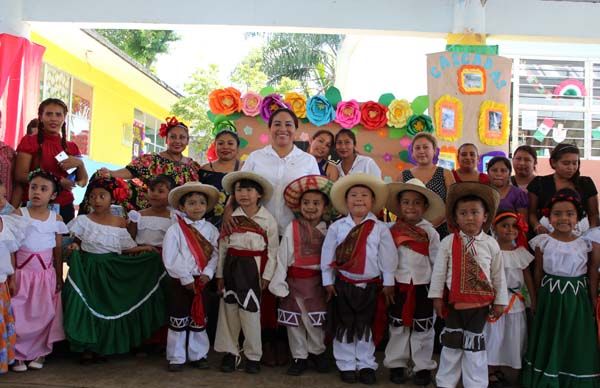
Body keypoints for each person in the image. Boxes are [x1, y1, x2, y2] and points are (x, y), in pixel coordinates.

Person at [62, 176, 168, 363]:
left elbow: (125, 247)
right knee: (89, 306)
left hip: (110, 269)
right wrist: (74, 248)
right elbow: (76, 243)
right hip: (89, 270)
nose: (97, 200)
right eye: (93, 196)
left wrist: (145, 249)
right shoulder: (83, 220)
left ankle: (103, 346)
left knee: (106, 305)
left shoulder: (120, 222)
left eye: (102, 196)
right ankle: (87, 348)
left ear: (112, 199)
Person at [428, 182, 507, 388]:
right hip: (454, 304)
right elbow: (439, 272)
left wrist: (500, 302)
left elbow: (498, 275)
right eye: (463, 213)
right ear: (455, 218)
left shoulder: (491, 244)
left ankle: (476, 384)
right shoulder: (448, 242)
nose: (469, 217)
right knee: (452, 345)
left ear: (485, 216)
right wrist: (437, 297)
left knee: (475, 347)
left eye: (475, 212)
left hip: (480, 306)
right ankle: (446, 382)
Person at [321, 173, 397, 385]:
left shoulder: (380, 228)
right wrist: (327, 280)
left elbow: (388, 256)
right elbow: (327, 255)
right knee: (344, 325)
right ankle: (346, 364)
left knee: (365, 325)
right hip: (343, 284)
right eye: (353, 195)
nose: (359, 199)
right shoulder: (337, 227)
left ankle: (365, 364)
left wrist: (388, 281)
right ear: (346, 201)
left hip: (370, 286)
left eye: (364, 195)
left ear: (373, 202)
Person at [522, 189, 600, 387]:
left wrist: (592, 299)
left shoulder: (586, 243)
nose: (563, 218)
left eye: (570, 213)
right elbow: (538, 272)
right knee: (550, 334)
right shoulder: (543, 242)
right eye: (557, 214)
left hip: (577, 298)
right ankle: (549, 373)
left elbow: (592, 271)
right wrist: (536, 300)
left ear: (578, 217)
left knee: (574, 335)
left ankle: (572, 376)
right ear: (548, 217)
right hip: (550, 297)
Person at [269, 175, 333, 376]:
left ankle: (317, 352)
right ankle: (299, 356)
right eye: (306, 203)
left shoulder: (329, 230)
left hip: (317, 284)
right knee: (294, 322)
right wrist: (279, 281)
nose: (311, 207)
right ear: (299, 206)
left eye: (316, 203)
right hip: (294, 282)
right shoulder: (292, 227)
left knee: (316, 322)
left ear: (325, 207)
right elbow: (283, 255)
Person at [215, 171, 278, 374]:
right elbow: (223, 247)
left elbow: (273, 251)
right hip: (231, 267)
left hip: (254, 269)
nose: (244, 194)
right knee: (229, 312)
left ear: (259, 194)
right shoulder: (231, 218)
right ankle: (230, 353)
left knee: (251, 314)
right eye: (239, 189)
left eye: (249, 190)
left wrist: (267, 277)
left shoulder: (268, 220)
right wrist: (219, 275)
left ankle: (253, 356)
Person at [383, 178, 444, 386]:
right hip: (398, 286)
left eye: (417, 202)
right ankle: (397, 364)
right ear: (399, 206)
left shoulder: (431, 233)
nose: (411, 207)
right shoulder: (391, 230)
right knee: (398, 326)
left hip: (423, 287)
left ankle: (422, 367)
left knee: (424, 328)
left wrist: (437, 291)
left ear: (425, 207)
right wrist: (388, 282)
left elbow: (437, 263)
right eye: (406, 202)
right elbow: (388, 258)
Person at [11, 170, 67, 372]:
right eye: (33, 187)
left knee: (44, 312)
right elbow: (12, 246)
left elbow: (57, 250)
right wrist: (11, 274)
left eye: (43, 189)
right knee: (19, 311)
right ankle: (16, 353)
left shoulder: (56, 218)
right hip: (22, 274)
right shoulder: (18, 214)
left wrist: (59, 274)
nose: (37, 192)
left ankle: (40, 352)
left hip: (45, 275)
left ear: (52, 195)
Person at [162, 182, 220, 372]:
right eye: (192, 203)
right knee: (179, 317)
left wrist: (208, 274)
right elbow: (171, 257)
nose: (197, 207)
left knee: (199, 317)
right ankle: (176, 356)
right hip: (181, 281)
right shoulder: (175, 230)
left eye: (201, 203)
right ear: (182, 207)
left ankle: (198, 354)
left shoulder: (211, 230)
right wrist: (186, 278)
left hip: (202, 281)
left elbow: (216, 254)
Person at [237, 108, 320, 236]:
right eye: (277, 124)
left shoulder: (308, 160)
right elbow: (240, 188)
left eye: (288, 124)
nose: (282, 129)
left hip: (294, 233)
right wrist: (228, 210)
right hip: (257, 230)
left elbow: (316, 195)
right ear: (270, 128)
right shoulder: (255, 157)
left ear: (295, 129)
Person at [97, 116, 200, 211]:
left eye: (182, 137)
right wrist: (111, 173)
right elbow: (131, 171)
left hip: (180, 217)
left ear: (187, 141)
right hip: (151, 213)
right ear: (166, 140)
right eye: (173, 137)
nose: (177, 141)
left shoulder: (193, 166)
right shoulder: (152, 160)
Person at [13, 98, 88, 223]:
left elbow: (82, 182)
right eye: (48, 114)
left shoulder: (72, 147)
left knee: (61, 242)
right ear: (41, 117)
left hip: (65, 207)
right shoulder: (30, 141)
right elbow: (20, 175)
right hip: (34, 205)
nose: (53, 118)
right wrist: (57, 181)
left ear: (64, 118)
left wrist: (80, 164)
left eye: (58, 114)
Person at [484, 210, 535, 388]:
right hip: (495, 301)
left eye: (514, 226)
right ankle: (490, 370)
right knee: (494, 336)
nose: (510, 230)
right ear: (494, 228)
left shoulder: (520, 252)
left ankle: (501, 370)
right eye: (504, 225)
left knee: (511, 337)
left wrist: (532, 300)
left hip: (515, 302)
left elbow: (527, 277)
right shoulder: (490, 250)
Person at [528, 143, 599, 236]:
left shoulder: (586, 183)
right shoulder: (539, 183)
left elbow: (594, 214)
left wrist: (591, 234)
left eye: (575, 163)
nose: (571, 167)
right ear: (553, 162)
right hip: (547, 235)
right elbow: (531, 213)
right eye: (566, 163)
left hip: (581, 237)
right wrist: (537, 226)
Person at [399, 132, 455, 238]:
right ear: (412, 152)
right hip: (411, 231)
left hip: (440, 230)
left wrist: (433, 224)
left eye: (425, 147)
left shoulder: (445, 173)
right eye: (417, 148)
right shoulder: (403, 175)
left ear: (434, 151)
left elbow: (453, 202)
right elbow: (398, 205)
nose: (421, 151)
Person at [199, 127, 241, 229]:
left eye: (230, 143)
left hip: (235, 222)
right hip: (207, 223)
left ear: (237, 147)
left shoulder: (245, 168)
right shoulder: (205, 169)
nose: (225, 147)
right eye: (221, 143)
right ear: (215, 146)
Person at [0, 214, 22, 374]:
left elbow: (11, 253)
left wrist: (12, 278)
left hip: (2, 285)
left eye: (3, 196)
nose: (2, 201)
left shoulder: (7, 222)